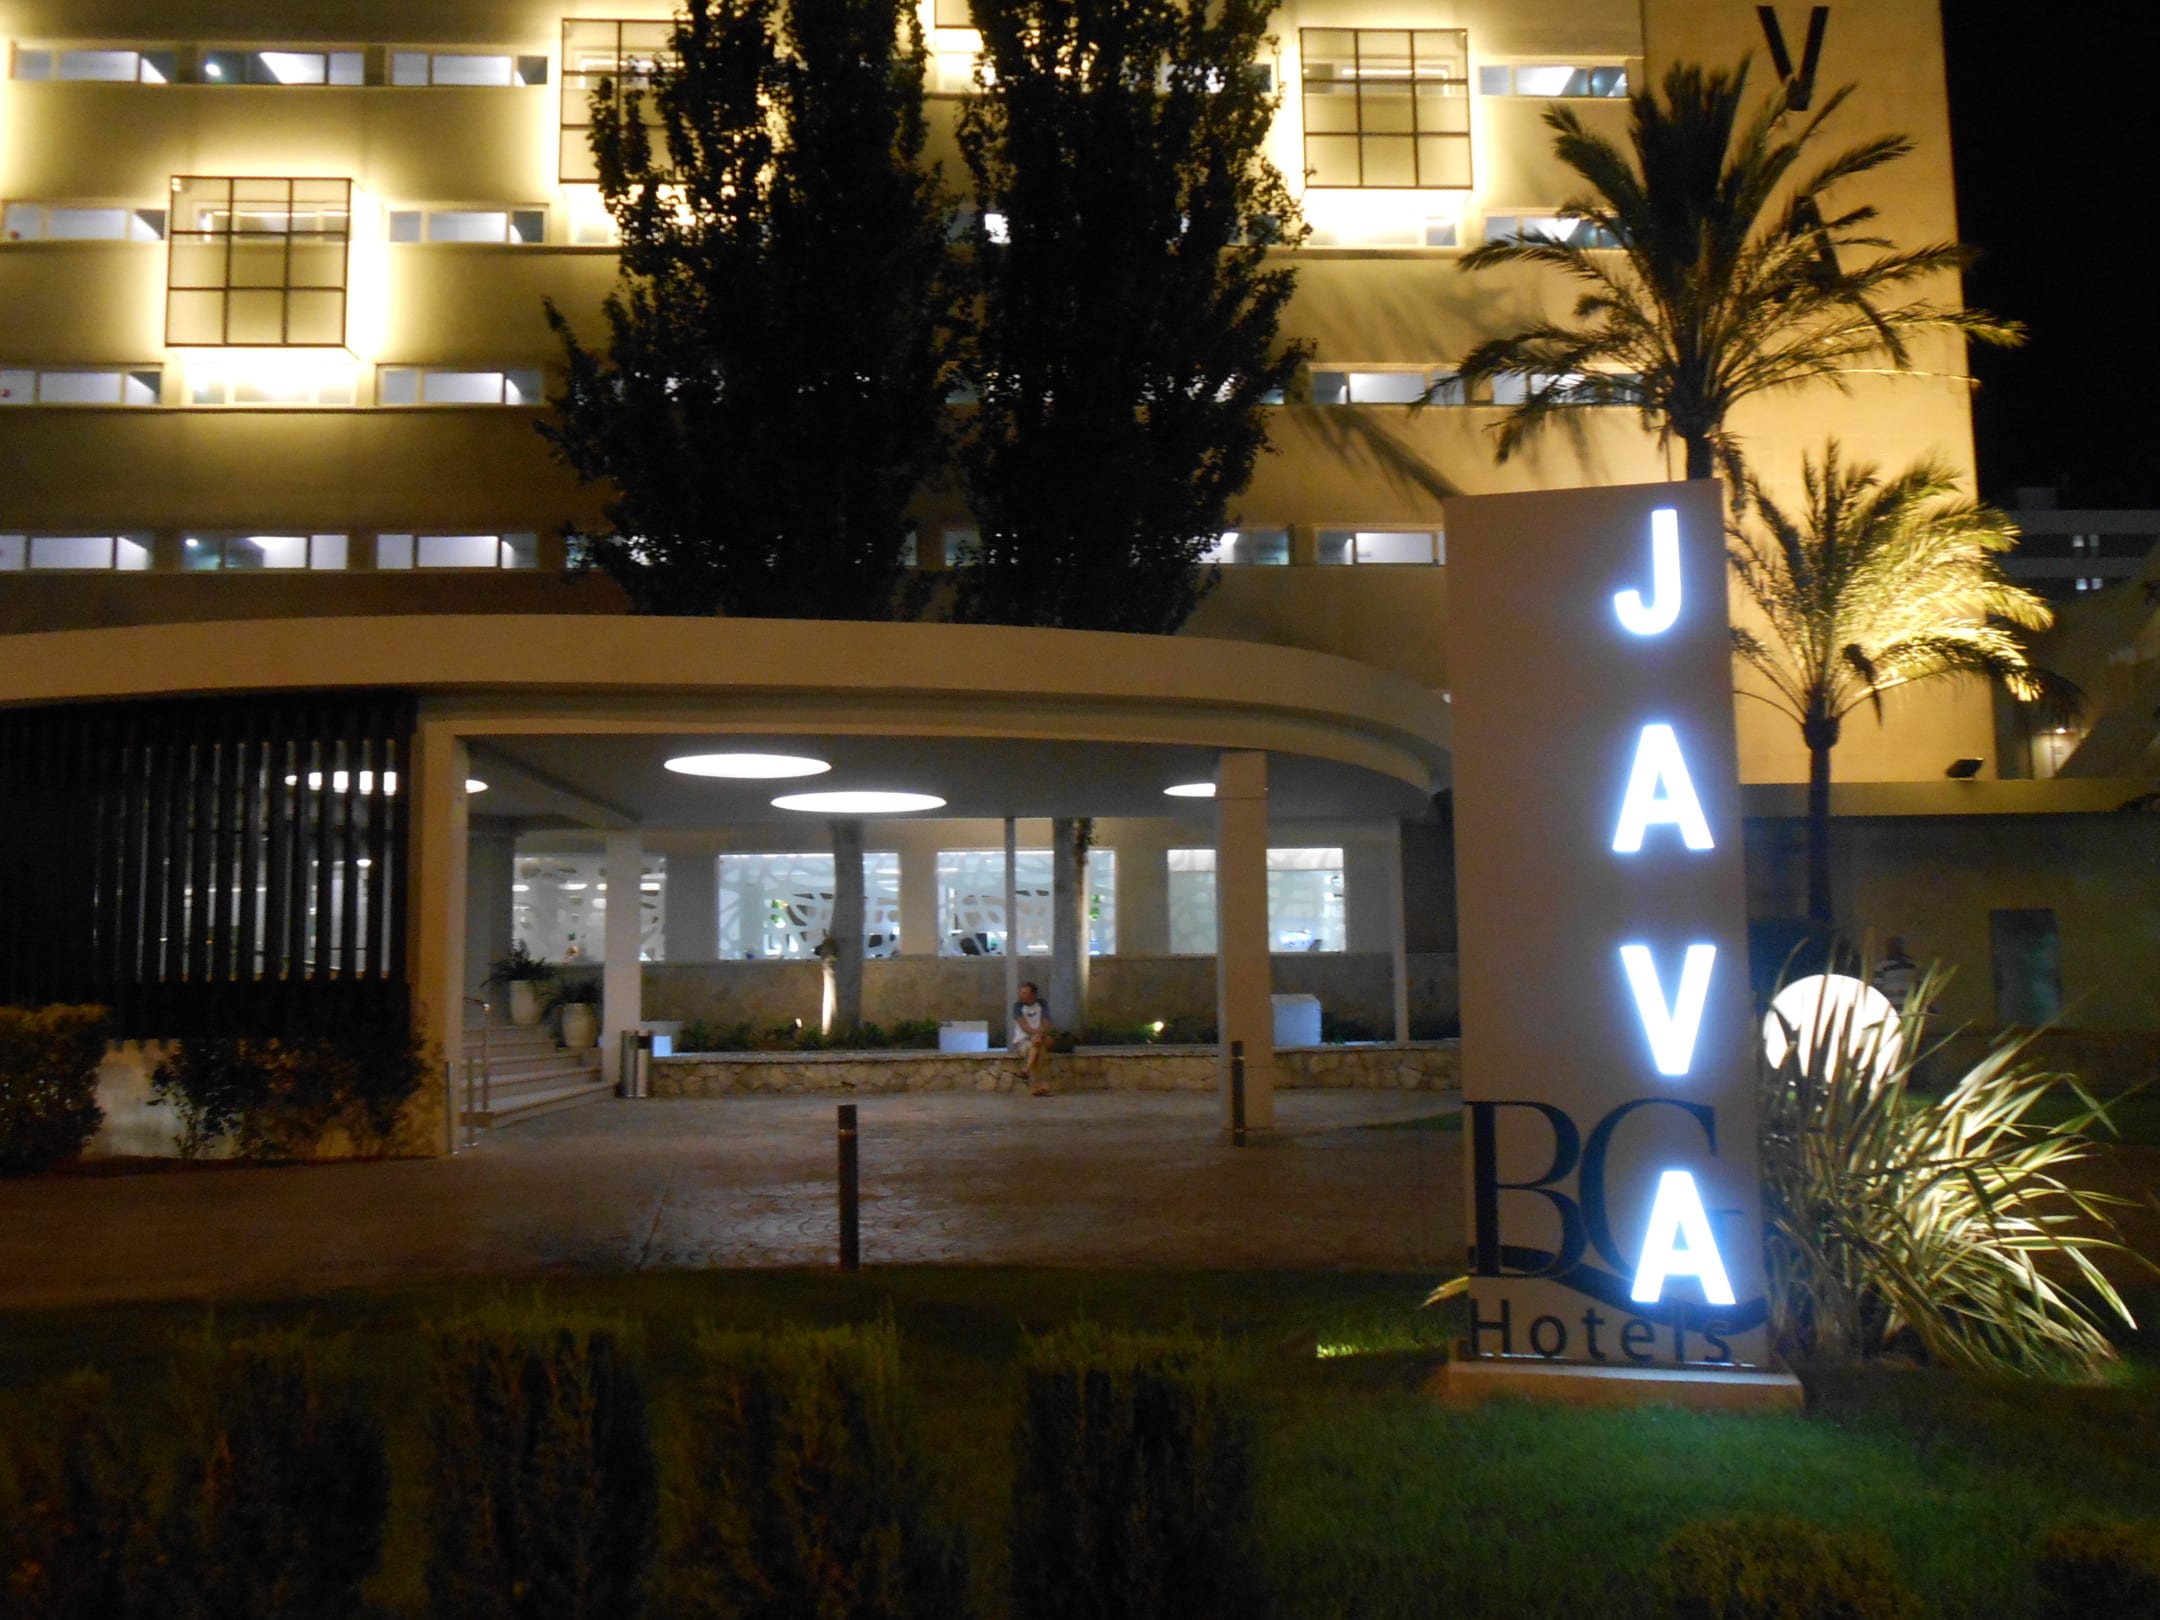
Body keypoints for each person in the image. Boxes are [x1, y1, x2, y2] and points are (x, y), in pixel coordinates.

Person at [1010, 981, 1054, 1096]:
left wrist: (1039, 1035)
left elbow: (1046, 1022)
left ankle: (1026, 1070)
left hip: (1040, 1037)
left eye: (1024, 993)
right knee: (1040, 1050)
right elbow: (1024, 1026)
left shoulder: (1042, 1004)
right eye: (1020, 992)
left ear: (1032, 995)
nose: (1021, 995)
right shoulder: (1017, 1006)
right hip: (1024, 1040)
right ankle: (1041, 1086)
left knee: (1038, 1045)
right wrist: (1036, 1036)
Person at [1871, 937, 1919, 1013]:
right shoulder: (1881, 965)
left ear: (1900, 947)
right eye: (1889, 947)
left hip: (1909, 1008)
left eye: (1894, 946)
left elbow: (1918, 985)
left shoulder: (1912, 964)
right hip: (1890, 1008)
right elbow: (1877, 988)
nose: (1891, 949)